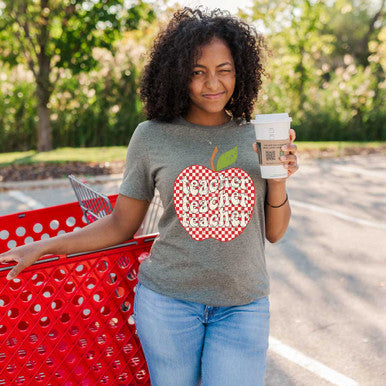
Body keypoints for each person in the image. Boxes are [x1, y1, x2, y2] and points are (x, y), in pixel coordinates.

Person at [0, 7, 299, 386]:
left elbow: (274, 232)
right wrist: (42, 246)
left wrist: (279, 180)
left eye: (224, 69)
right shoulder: (151, 136)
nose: (213, 83)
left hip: (243, 307)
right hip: (168, 305)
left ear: (240, 71)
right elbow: (121, 223)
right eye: (197, 71)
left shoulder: (257, 135)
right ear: (178, 74)